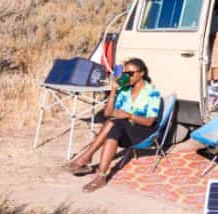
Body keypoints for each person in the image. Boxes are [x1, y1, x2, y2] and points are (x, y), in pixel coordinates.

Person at [64, 57, 162, 192]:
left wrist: (129, 115)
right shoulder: (125, 90)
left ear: (141, 73)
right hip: (125, 130)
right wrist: (114, 91)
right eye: (125, 73)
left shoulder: (152, 92)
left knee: (114, 123)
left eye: (131, 73)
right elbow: (108, 113)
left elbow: (150, 121)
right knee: (113, 127)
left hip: (144, 132)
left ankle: (86, 157)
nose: (127, 77)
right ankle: (101, 176)